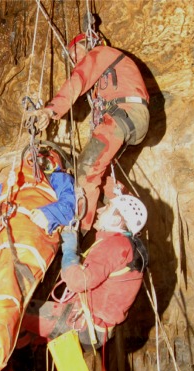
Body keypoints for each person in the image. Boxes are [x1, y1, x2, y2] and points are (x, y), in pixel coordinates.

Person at [0, 194, 148, 371]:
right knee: (29, 332)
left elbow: (77, 281)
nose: (99, 210)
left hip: (81, 324)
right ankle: (20, 367)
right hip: (93, 329)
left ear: (118, 219)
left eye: (107, 208)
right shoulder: (124, 246)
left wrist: (69, 249)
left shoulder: (116, 245)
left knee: (13, 315)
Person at [30, 30, 150, 232]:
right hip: (129, 119)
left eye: (75, 50)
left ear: (90, 43)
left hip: (126, 112)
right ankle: (121, 208)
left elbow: (79, 78)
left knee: (87, 170)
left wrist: (51, 110)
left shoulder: (102, 53)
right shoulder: (104, 82)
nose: (73, 57)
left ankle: (79, 231)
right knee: (99, 173)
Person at [0, 148, 76, 238]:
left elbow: (70, 203)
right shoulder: (17, 178)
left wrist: (48, 215)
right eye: (34, 160)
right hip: (5, 223)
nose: (38, 165)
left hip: (32, 225)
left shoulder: (59, 178)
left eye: (44, 162)